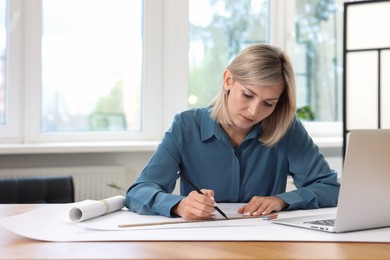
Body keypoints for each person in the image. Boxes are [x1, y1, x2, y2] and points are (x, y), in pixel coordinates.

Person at [125, 44, 340, 220]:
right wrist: (180, 205)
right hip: (201, 244)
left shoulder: (286, 128)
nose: (254, 111)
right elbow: (138, 192)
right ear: (228, 80)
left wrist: (282, 200)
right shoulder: (186, 126)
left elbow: (331, 188)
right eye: (248, 95)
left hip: (265, 245)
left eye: (269, 103)